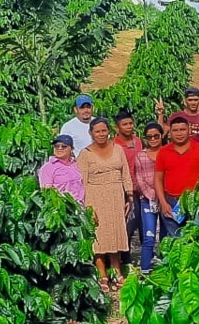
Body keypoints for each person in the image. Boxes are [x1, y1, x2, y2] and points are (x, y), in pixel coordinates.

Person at [77, 118, 134, 292]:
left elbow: (125, 172)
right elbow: (82, 181)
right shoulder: (85, 153)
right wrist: (86, 206)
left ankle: (117, 272)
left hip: (116, 195)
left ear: (108, 131)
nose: (101, 134)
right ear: (91, 133)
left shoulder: (118, 149)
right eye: (97, 131)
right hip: (95, 196)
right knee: (99, 237)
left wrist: (129, 195)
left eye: (103, 131)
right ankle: (103, 275)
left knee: (115, 233)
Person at [154, 117, 199, 238]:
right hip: (171, 202)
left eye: (182, 129)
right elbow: (158, 179)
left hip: (195, 201)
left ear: (189, 130)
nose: (179, 133)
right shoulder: (163, 152)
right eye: (175, 130)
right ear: (170, 132)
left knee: (194, 239)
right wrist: (163, 203)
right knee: (175, 239)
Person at [132, 123, 164, 274]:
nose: (153, 139)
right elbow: (139, 180)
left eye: (156, 136)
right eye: (149, 136)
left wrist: (162, 196)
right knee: (149, 236)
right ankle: (144, 270)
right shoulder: (141, 156)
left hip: (167, 199)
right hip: (147, 199)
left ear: (161, 136)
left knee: (167, 236)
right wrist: (152, 196)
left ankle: (167, 269)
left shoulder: (167, 153)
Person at [113, 110, 143, 267]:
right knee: (128, 223)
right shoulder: (114, 145)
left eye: (130, 123)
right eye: (125, 124)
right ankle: (124, 256)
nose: (129, 127)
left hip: (139, 187)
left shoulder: (138, 141)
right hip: (124, 189)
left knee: (138, 221)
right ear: (117, 127)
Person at [38, 134, 84, 204]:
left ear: (72, 149)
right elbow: (47, 192)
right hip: (64, 207)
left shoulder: (78, 164)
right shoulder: (48, 168)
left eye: (64, 146)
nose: (60, 148)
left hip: (83, 207)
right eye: (56, 146)